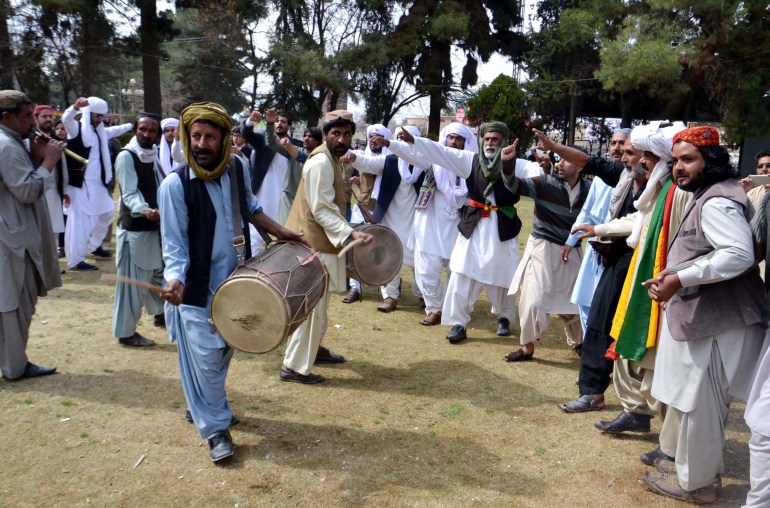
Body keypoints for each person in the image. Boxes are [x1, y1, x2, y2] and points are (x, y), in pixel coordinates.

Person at [158, 102, 305, 464]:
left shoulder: (237, 166)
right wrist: (175, 278)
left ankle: (203, 405)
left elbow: (251, 207)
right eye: (195, 136)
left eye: (210, 137)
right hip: (195, 288)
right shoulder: (174, 185)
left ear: (224, 139)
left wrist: (282, 231)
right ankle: (215, 431)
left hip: (237, 282)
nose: (202, 144)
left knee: (224, 350)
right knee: (206, 359)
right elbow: (174, 244)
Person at [641, 126, 767, 504]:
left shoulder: (717, 201)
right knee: (699, 403)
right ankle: (695, 473)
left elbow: (738, 254)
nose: (679, 168)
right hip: (715, 317)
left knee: (701, 405)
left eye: (688, 160)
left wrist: (680, 277)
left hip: (719, 321)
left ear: (709, 161)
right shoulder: (713, 193)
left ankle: (696, 485)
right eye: (676, 160)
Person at [385, 122, 543, 342]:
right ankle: (459, 323)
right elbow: (442, 153)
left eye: (495, 139)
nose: (490, 143)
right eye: (487, 139)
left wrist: (545, 166)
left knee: (504, 274)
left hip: (503, 227)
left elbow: (537, 173)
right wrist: (415, 141)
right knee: (461, 272)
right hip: (474, 225)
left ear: (504, 142)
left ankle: (504, 317)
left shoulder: (517, 163)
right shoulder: (471, 160)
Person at [281, 110, 373, 384]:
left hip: (321, 244)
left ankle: (313, 351)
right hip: (314, 246)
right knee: (312, 309)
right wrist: (350, 234)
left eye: (346, 134)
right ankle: (294, 367)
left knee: (319, 306)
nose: (342, 139)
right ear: (325, 135)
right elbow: (321, 209)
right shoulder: (321, 161)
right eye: (336, 134)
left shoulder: (330, 159)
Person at [557, 136, 647, 408]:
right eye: (621, 149)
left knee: (634, 331)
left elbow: (640, 221)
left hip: (646, 264)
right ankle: (593, 391)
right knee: (598, 320)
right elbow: (588, 162)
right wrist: (553, 147)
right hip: (613, 256)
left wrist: (599, 230)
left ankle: (638, 407)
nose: (625, 156)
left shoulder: (664, 187)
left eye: (631, 151)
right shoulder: (623, 175)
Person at [0, 90, 65, 380]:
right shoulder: (7, 146)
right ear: (6, 117)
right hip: (12, 241)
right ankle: (14, 367)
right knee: (15, 305)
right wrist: (48, 163)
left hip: (13, 236)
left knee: (14, 304)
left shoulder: (13, 143)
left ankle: (11, 361)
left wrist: (36, 157)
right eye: (27, 116)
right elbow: (26, 191)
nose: (32, 122)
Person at [503, 145, 590, 362]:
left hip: (572, 249)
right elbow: (514, 186)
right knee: (534, 300)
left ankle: (579, 343)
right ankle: (527, 347)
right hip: (543, 247)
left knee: (574, 301)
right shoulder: (545, 183)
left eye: (566, 160)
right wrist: (507, 163)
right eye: (558, 159)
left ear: (580, 165)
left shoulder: (590, 189)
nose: (560, 164)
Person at [382, 122, 474, 326]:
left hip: (460, 222)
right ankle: (434, 308)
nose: (454, 142)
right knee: (426, 268)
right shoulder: (433, 161)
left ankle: (454, 308)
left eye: (459, 138)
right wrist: (391, 143)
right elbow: (411, 153)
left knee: (457, 269)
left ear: (466, 142)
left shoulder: (471, 165)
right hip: (430, 221)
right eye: (450, 137)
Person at [340, 125, 429, 312]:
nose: (404, 143)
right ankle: (390, 296)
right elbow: (367, 163)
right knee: (389, 257)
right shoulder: (389, 161)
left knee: (420, 258)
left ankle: (423, 294)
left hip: (417, 220)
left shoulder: (425, 163)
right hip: (391, 218)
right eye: (400, 139)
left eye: (408, 139)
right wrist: (354, 157)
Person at [112, 113, 166, 347]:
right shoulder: (127, 156)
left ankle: (162, 314)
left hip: (152, 229)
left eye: (152, 131)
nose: (146, 134)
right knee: (132, 284)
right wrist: (145, 210)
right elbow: (129, 192)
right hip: (135, 231)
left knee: (158, 274)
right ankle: (125, 333)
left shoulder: (152, 155)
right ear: (135, 130)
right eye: (143, 129)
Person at [61, 96, 133, 271]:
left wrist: (133, 125)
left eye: (102, 116)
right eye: (96, 116)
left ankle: (92, 246)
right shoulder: (76, 130)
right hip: (80, 185)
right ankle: (75, 261)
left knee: (107, 213)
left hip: (99, 183)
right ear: (88, 113)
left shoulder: (100, 131)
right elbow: (66, 119)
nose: (100, 120)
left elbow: (116, 130)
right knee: (80, 223)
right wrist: (75, 107)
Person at [241, 108, 306, 254]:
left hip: (284, 196)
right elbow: (246, 133)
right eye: (276, 121)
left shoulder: (295, 145)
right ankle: (252, 270)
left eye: (283, 122)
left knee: (285, 233)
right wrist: (250, 121)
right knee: (255, 235)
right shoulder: (262, 139)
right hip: (262, 194)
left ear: (289, 126)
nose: (279, 124)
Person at [343, 123, 392, 304]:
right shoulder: (364, 155)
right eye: (371, 136)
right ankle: (355, 288)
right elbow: (364, 162)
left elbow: (372, 166)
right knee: (355, 248)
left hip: (383, 210)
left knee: (383, 250)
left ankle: (387, 293)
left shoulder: (391, 159)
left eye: (378, 137)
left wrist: (354, 157)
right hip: (361, 208)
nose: (374, 140)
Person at [33, 105, 69, 261]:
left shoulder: (56, 140)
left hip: (53, 189)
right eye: (44, 116)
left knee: (54, 228)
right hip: (35, 189)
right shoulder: (29, 139)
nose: (48, 119)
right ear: (36, 119)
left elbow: (64, 166)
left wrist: (65, 189)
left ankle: (53, 264)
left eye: (50, 116)